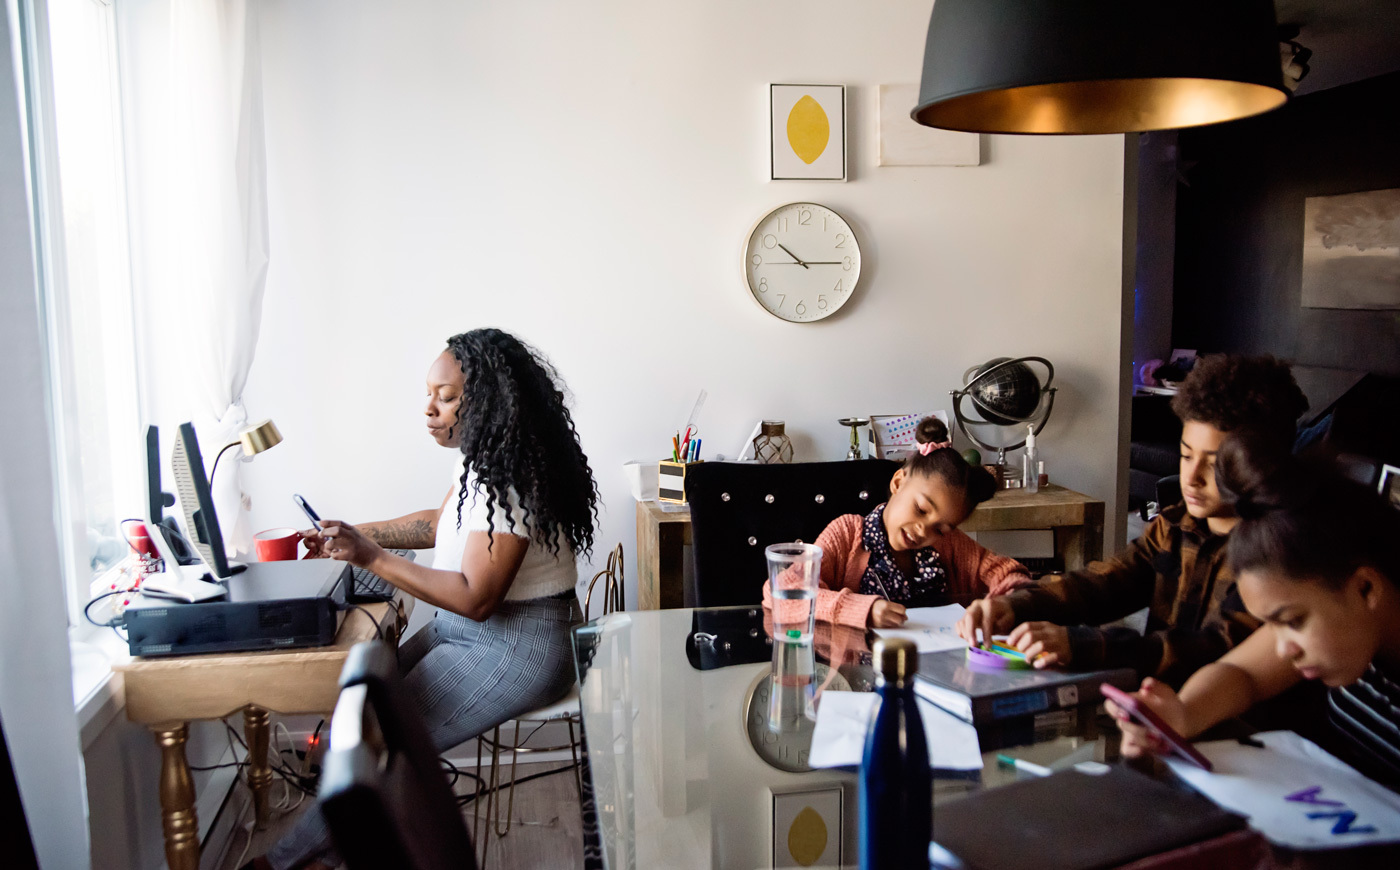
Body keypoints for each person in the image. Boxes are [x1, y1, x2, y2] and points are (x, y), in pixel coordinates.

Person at [249, 328, 599, 870]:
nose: (430, 409)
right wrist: (349, 534)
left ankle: (281, 864)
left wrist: (367, 556)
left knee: (383, 748)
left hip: (520, 645)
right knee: (364, 717)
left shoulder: (511, 478)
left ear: (486, 400)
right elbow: (443, 524)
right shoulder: (485, 460)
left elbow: (476, 596)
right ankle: (332, 855)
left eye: (447, 396)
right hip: (479, 634)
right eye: (430, 394)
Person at [956, 354, 1309, 684]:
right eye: (1186, 456)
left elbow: (1215, 649)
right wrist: (1013, 605)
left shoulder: (1279, 554)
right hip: (1158, 707)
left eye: (1215, 464)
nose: (1192, 477)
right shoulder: (1173, 525)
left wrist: (1086, 644)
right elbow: (1103, 582)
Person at [1109, 434, 1400, 789]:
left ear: (1365, 588)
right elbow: (1239, 673)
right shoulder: (1357, 630)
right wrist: (1181, 715)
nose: (1282, 650)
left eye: (1293, 621)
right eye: (1271, 626)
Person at [762, 416, 1031, 630]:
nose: (924, 530)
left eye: (940, 528)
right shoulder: (848, 533)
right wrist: (861, 610)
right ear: (898, 482)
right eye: (921, 509)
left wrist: (1005, 605)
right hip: (856, 672)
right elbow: (783, 590)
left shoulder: (950, 545)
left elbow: (1011, 576)